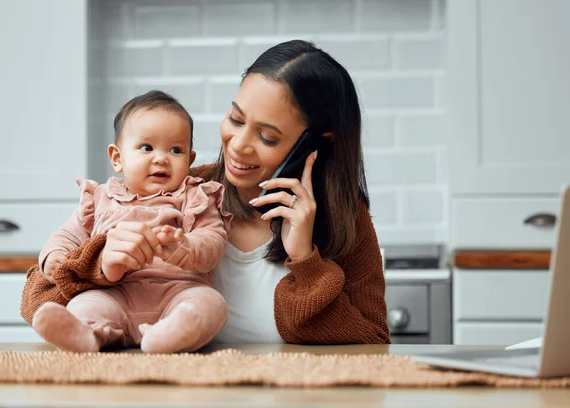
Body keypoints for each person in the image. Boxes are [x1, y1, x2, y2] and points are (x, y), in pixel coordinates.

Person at [21, 39, 390, 345]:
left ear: (317, 144)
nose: (238, 146)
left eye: (266, 136)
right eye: (235, 119)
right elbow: (36, 297)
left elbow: (373, 344)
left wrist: (306, 262)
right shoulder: (183, 189)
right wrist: (99, 266)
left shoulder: (344, 221)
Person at [31, 90, 232, 353]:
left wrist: (186, 246)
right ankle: (87, 333)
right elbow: (67, 235)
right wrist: (54, 256)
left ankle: (169, 336)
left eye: (175, 149)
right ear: (117, 157)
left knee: (211, 303)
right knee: (87, 304)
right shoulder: (100, 198)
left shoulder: (195, 196)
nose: (161, 158)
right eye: (147, 148)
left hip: (178, 290)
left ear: (189, 159)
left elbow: (213, 238)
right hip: (116, 293)